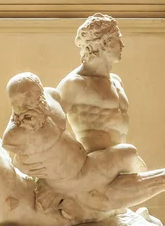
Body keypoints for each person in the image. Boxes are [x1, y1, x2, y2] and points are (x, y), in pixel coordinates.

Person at [57, 13, 141, 162]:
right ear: (104, 43)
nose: (122, 45)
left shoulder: (116, 82)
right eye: (118, 39)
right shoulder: (75, 83)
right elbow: (51, 126)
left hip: (119, 162)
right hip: (92, 164)